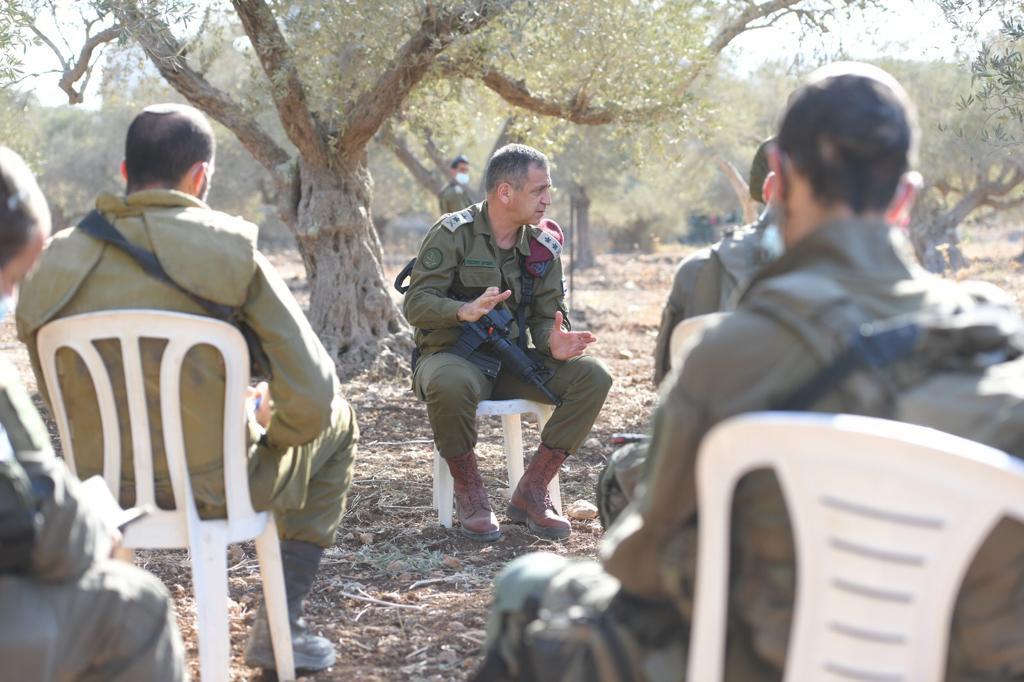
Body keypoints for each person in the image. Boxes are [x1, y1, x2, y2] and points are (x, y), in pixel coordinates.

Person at [477, 63, 1024, 681]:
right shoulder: (1001, 351)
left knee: (527, 583)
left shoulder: (732, 355)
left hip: (759, 662)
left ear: (778, 185)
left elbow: (640, 566)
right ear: (906, 197)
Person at [15, 104, 358, 674]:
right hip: (213, 488)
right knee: (340, 419)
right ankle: (281, 629)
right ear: (201, 176)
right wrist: (267, 432)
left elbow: (58, 391)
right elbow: (314, 398)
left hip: (97, 487)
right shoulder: (233, 251)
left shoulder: (49, 262)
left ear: (126, 171)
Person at [0, 146, 186, 681]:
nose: (11, 301)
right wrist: (88, 526)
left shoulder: (69, 266)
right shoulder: (235, 254)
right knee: (135, 608)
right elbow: (42, 534)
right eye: (10, 279)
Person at [403, 143, 612, 542]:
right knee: (449, 384)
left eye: (548, 190)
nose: (547, 200)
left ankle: (533, 491)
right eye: (538, 191)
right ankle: (470, 490)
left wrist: (556, 341)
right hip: (452, 358)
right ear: (505, 192)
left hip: (514, 362)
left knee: (593, 377)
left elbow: (546, 316)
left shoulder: (541, 249)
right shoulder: (454, 233)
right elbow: (416, 303)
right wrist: (462, 310)